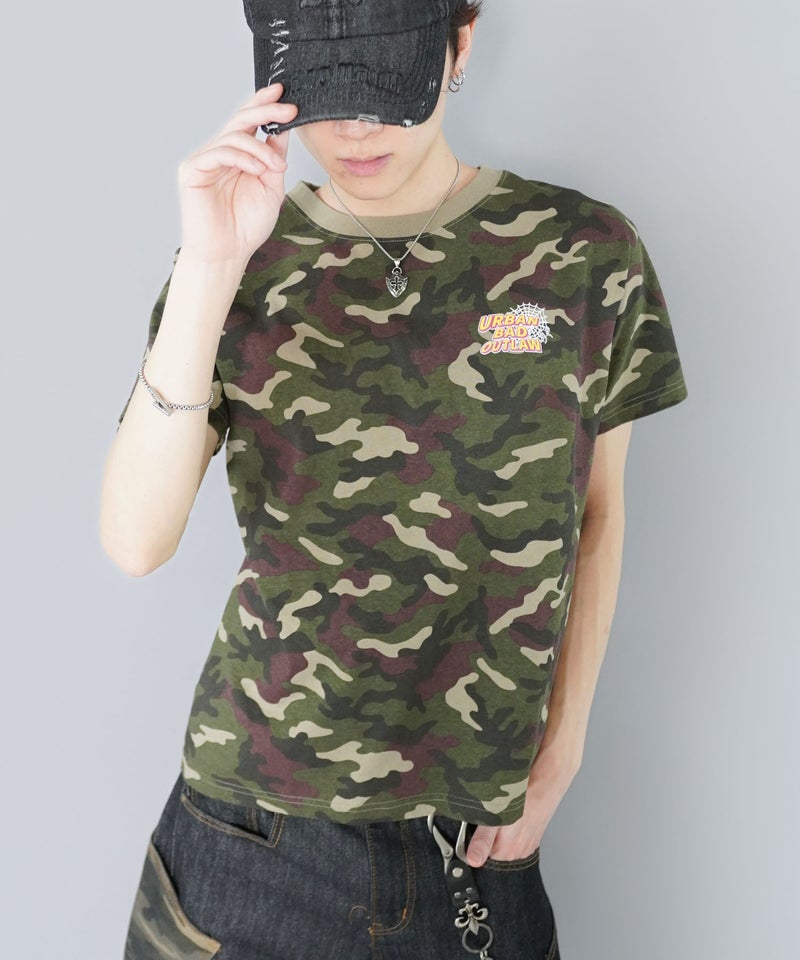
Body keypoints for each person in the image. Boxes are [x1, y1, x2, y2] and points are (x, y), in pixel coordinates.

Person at [101, 2, 688, 958]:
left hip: (481, 848)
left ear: (460, 43)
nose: (354, 131)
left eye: (383, 87)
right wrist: (211, 264)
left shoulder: (584, 252)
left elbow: (599, 512)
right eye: (325, 93)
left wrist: (562, 752)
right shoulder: (242, 261)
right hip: (254, 844)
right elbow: (135, 541)